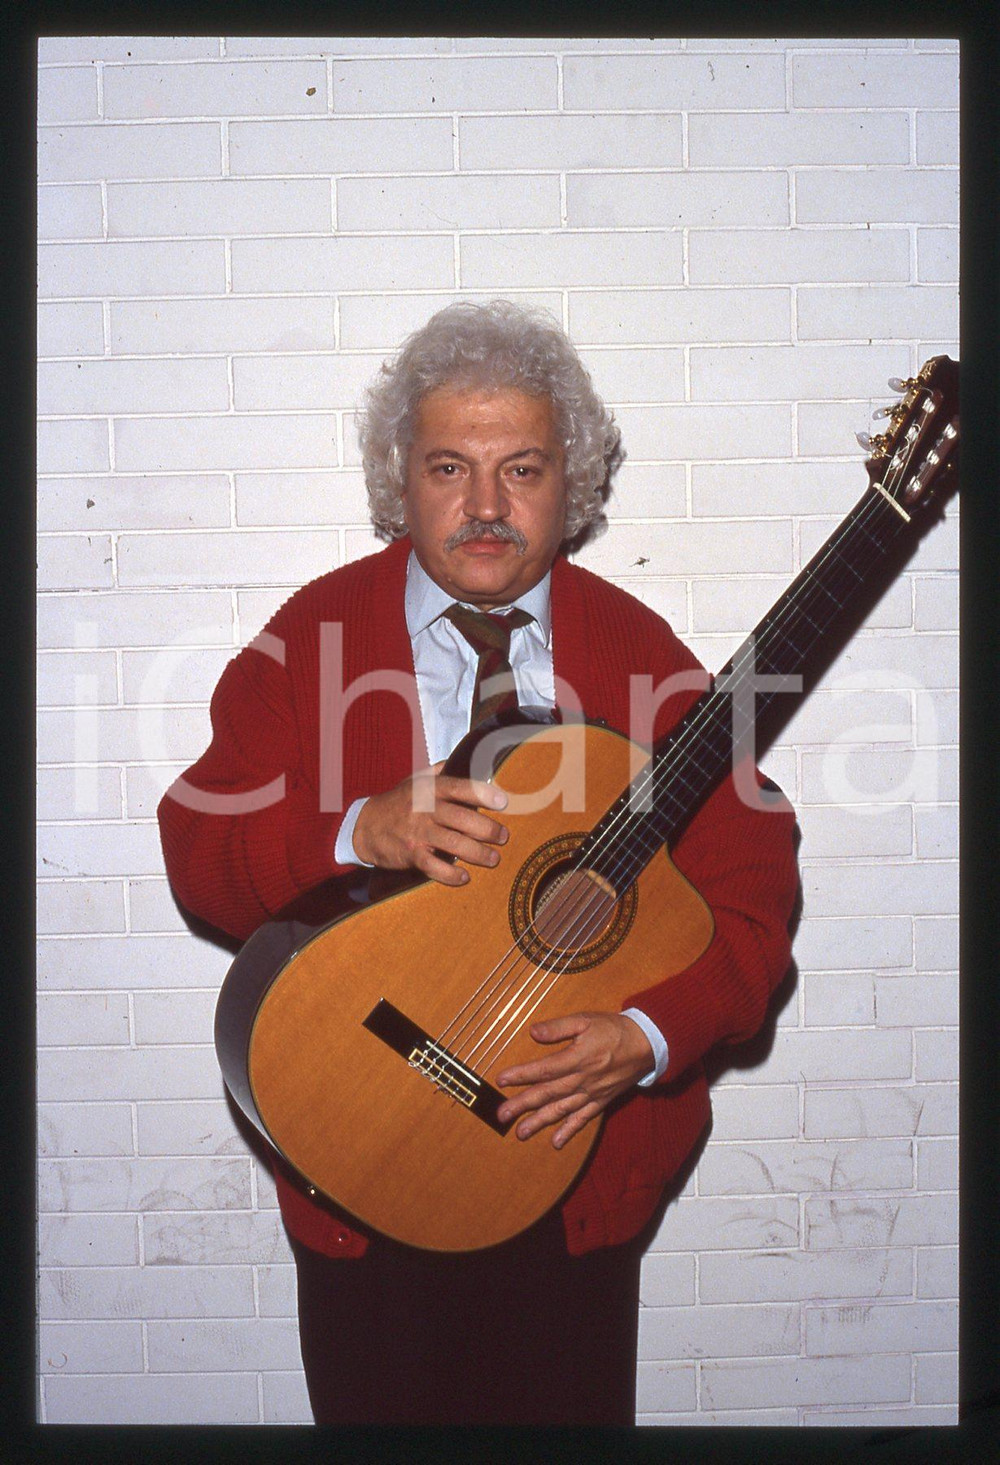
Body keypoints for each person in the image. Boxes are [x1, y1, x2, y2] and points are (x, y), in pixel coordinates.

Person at [157, 300, 799, 1426]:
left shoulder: (646, 662)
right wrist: (354, 828)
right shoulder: (309, 641)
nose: (487, 507)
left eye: (524, 469)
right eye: (450, 466)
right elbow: (199, 843)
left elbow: (752, 900)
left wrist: (645, 1039)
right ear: (399, 478)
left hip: (569, 1171)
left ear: (574, 485)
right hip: (357, 1145)